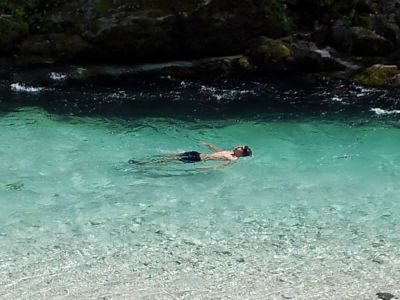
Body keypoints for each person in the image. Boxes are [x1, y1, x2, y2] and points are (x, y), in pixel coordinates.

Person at [129, 141, 252, 170]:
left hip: (198, 159)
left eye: (241, 148)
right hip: (197, 153)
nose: (238, 146)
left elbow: (221, 167)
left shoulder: (233, 158)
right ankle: (146, 161)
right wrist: (208, 145)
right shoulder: (229, 152)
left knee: (170, 161)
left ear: (242, 153)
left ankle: (144, 165)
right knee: (171, 156)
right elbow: (218, 151)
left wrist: (204, 169)